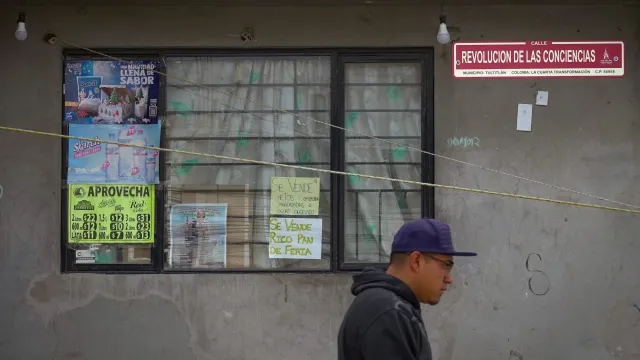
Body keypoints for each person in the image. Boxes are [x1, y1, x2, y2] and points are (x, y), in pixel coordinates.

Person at [337, 218, 477, 360]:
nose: (449, 279)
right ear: (416, 261)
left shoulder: (388, 305)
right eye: (446, 265)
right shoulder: (388, 311)